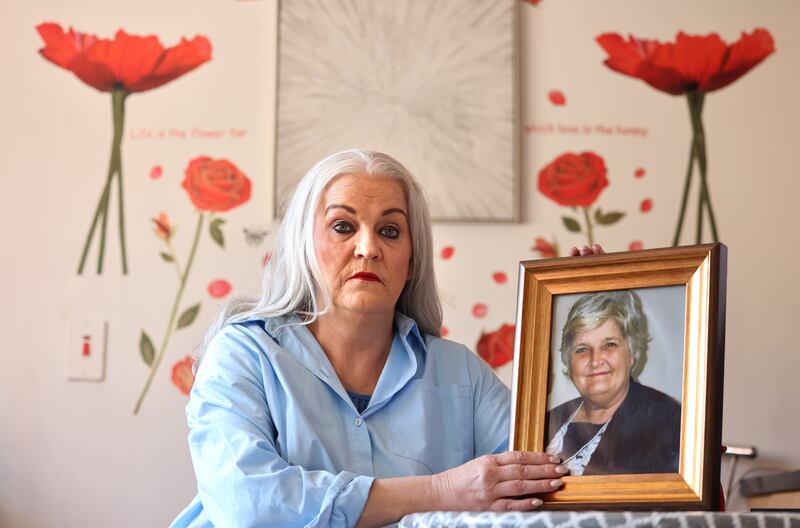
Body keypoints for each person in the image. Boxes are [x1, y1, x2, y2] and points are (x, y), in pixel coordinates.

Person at [170, 148, 604, 528]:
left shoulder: (461, 374)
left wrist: (591, 320)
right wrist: (443, 490)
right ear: (305, 244)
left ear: (412, 261)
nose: (367, 248)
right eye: (343, 226)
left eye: (390, 231)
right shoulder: (243, 353)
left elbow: (558, 474)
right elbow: (250, 505)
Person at [545, 290, 681, 476]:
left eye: (609, 345)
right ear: (568, 361)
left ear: (631, 354)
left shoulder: (668, 420)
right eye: (582, 349)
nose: (595, 360)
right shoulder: (549, 419)